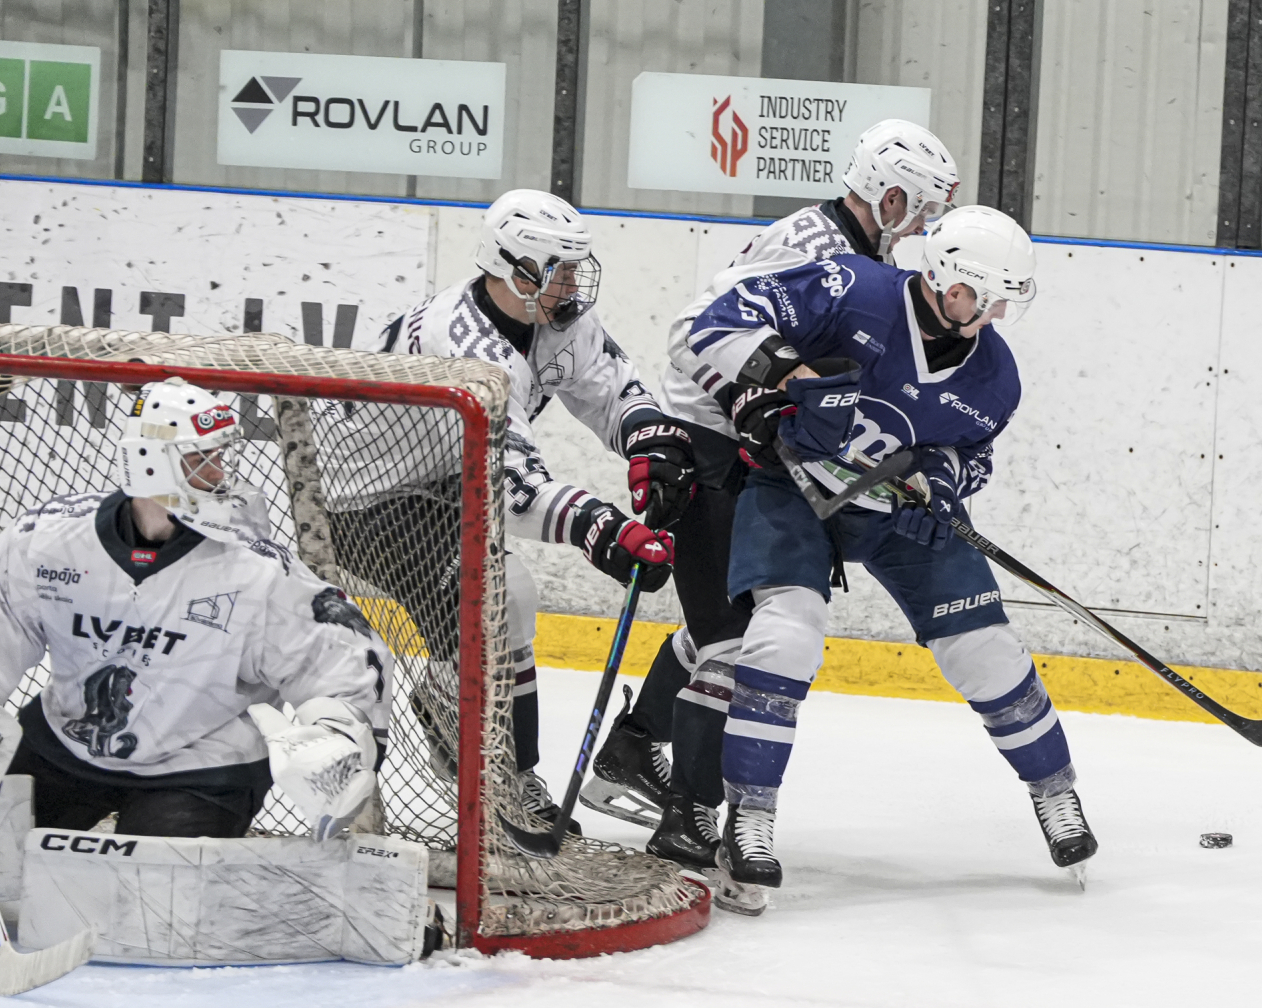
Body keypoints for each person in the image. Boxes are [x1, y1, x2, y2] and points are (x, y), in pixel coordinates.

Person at [681, 203, 1096, 913]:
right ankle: (750, 818)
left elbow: (974, 455)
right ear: (953, 287)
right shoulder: (850, 289)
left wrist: (940, 479)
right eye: (991, 297)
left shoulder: (996, 375)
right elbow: (715, 322)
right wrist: (791, 375)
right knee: (785, 633)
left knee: (987, 651)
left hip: (899, 515)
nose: (998, 313)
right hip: (792, 488)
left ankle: (1056, 794)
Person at [582, 120, 961, 872]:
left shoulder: (867, 255)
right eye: (920, 209)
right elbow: (694, 335)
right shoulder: (809, 246)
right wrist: (752, 397)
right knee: (735, 637)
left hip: (759, 452)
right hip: (713, 449)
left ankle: (633, 746)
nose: (924, 227)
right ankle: (688, 813)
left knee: (738, 624)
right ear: (889, 198)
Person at [313, 188, 691, 829]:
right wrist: (598, 526)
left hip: (438, 483)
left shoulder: (555, 316)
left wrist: (650, 438)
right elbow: (511, 488)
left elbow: (612, 390)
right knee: (502, 592)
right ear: (510, 267)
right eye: (557, 269)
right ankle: (502, 769)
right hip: (359, 498)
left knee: (506, 597)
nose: (571, 284)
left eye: (575, 268)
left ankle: (459, 709)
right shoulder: (464, 347)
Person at [0, 377, 394, 840]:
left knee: (149, 888)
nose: (220, 475)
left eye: (220, 458)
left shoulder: (256, 569)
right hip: (67, 742)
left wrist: (335, 736)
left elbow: (340, 655)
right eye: (201, 460)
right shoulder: (46, 542)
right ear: (150, 465)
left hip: (203, 763)